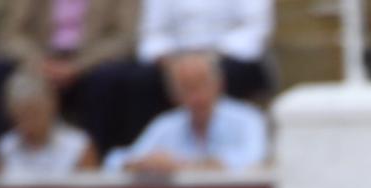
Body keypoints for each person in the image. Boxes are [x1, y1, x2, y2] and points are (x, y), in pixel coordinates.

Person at [0, 0, 141, 153]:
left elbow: (124, 38)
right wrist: (39, 63)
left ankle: (97, 157)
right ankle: (2, 155)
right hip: (40, 58)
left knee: (109, 80)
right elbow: (13, 34)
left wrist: (78, 66)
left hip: (92, 62)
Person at [104, 48, 265, 174]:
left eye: (201, 84)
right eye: (187, 88)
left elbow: (256, 159)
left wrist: (184, 166)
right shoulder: (166, 125)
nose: (196, 96)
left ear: (219, 84)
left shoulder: (248, 118)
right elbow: (114, 161)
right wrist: (141, 163)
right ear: (174, 94)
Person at [137, 0, 271, 101]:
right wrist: (168, 58)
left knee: (230, 74)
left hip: (227, 55)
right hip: (174, 57)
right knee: (131, 78)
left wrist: (212, 57)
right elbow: (152, 32)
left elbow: (255, 29)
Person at [0, 67, 95, 174]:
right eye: (22, 115)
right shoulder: (5, 148)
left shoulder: (79, 146)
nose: (29, 121)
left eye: (34, 113)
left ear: (52, 106)